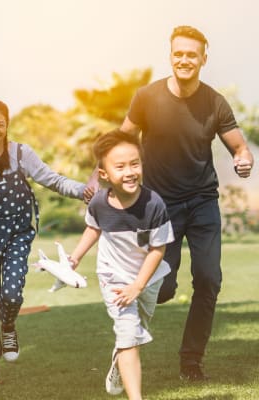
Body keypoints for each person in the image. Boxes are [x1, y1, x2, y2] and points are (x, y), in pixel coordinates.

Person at [120, 25, 254, 380]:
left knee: (209, 279)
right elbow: (123, 138)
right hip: (160, 207)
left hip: (202, 203)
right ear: (170, 56)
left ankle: (191, 360)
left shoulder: (214, 102)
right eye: (178, 53)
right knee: (160, 289)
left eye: (191, 55)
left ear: (203, 59)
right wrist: (103, 177)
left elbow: (238, 146)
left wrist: (243, 159)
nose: (184, 60)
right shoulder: (147, 97)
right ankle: (137, 326)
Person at [0, 99, 92, 390]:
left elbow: (52, 179)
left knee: (10, 294)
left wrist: (83, 190)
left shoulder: (21, 153)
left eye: (0, 124)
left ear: (7, 124)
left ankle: (8, 326)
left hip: (18, 234)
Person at [70, 129, 174, 400]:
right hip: (113, 277)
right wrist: (76, 257)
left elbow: (157, 249)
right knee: (129, 333)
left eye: (135, 164)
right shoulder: (99, 203)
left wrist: (138, 285)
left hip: (147, 278)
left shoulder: (154, 204)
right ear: (104, 174)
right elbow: (93, 229)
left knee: (138, 332)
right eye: (120, 166)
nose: (130, 172)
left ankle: (120, 359)